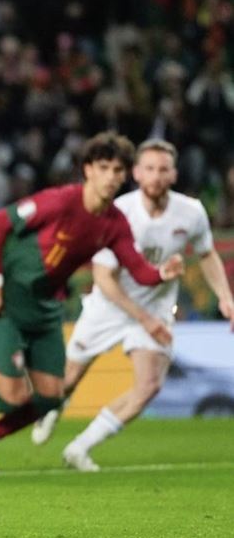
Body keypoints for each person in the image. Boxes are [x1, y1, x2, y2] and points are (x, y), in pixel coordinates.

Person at [0, 132, 184, 476]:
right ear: (87, 170)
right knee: (12, 396)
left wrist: (163, 272)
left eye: (118, 170)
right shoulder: (60, 201)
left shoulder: (114, 223)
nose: (111, 176)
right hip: (7, 302)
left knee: (51, 396)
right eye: (104, 167)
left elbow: (140, 271)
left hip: (45, 309)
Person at [29, 139, 234, 470]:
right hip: (109, 305)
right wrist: (142, 317)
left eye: (163, 169)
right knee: (65, 382)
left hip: (155, 308)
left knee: (149, 385)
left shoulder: (191, 212)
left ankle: (80, 447)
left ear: (174, 174)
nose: (155, 176)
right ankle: (54, 407)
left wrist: (226, 297)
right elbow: (104, 277)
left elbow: (207, 252)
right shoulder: (119, 213)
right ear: (136, 173)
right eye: (149, 168)